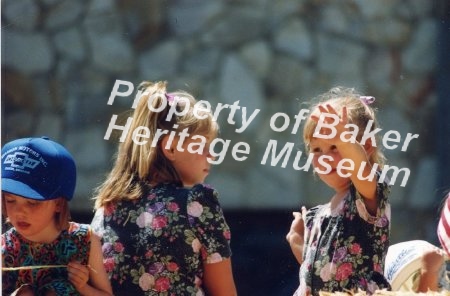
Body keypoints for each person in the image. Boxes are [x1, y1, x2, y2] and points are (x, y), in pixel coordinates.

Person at [91, 80, 237, 295]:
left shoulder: (106, 209)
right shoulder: (197, 202)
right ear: (170, 147)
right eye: (202, 145)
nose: (211, 154)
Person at [286, 87, 392, 295]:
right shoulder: (317, 216)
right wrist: (298, 242)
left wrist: (344, 139)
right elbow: (324, 272)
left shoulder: (366, 195)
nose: (325, 157)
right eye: (317, 149)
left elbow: (361, 170)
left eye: (335, 147)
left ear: (367, 147)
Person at [1, 137, 112, 296]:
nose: (19, 211)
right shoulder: (4, 248)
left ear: (59, 203)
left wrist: (83, 287)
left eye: (32, 202)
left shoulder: (85, 240)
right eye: (10, 200)